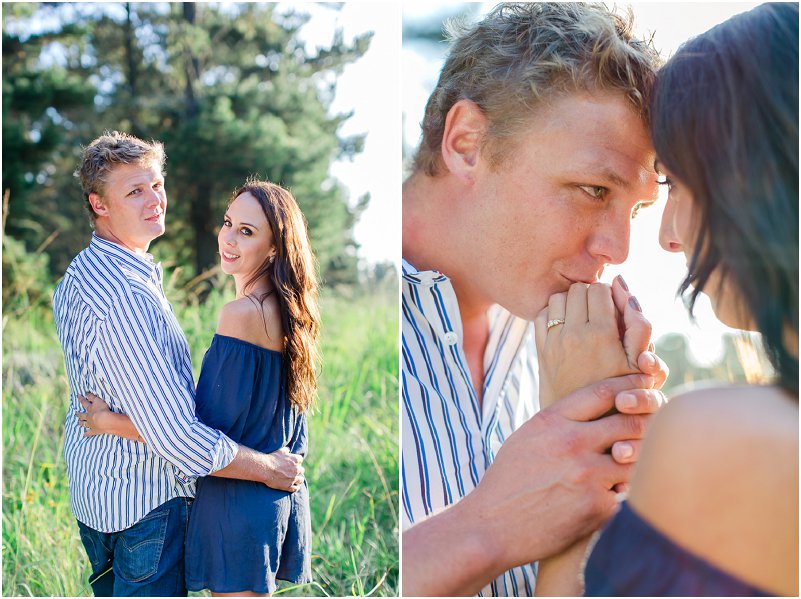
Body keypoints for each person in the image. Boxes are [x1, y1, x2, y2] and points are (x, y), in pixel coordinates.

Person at [401, 3, 671, 596]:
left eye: (638, 210)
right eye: (593, 190)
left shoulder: (569, 345)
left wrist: (609, 459)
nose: (619, 248)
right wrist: (490, 527)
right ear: (467, 142)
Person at [535, 3, 798, 595]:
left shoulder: (726, 436)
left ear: (759, 178)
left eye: (676, 183)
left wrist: (577, 417)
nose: (665, 237)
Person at [54, 132, 305, 596]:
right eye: (134, 191)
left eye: (156, 184)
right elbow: (179, 437)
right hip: (145, 507)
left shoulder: (80, 275)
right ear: (99, 204)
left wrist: (111, 420)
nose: (155, 200)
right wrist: (271, 469)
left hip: (101, 495)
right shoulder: (124, 298)